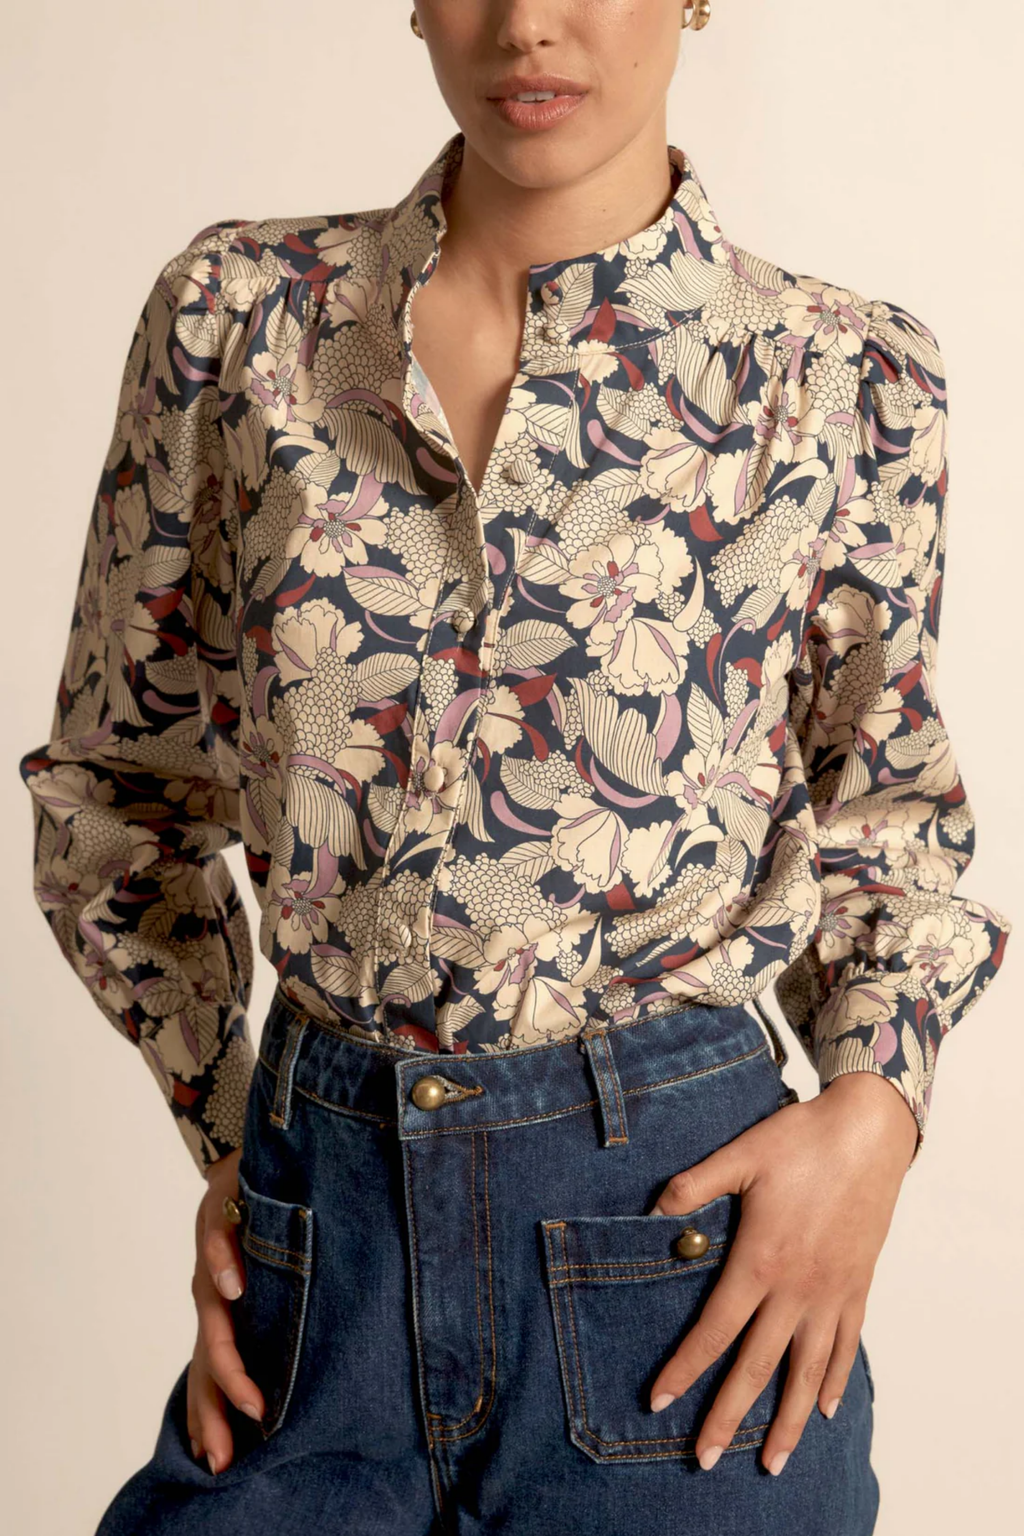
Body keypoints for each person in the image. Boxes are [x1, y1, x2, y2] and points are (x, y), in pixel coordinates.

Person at [19, 3, 1011, 1533]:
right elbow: (117, 791)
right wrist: (241, 1139)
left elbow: (887, 825)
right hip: (322, 1234)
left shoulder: (840, 375)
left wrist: (875, 1118)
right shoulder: (238, 324)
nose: (528, 23)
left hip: (683, 1268)